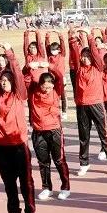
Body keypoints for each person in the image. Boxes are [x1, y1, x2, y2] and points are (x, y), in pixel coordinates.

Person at [0, 45, 38, 213]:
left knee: (26, 183)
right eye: (2, 80)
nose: (4, 82)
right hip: (2, 147)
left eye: (7, 80)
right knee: (9, 184)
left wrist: (10, 53)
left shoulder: (19, 95)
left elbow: (17, 73)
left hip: (19, 145)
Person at [69, 30, 107, 176]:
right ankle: (84, 163)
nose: (85, 58)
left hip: (96, 104)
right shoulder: (78, 68)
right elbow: (74, 51)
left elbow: (95, 53)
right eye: (83, 56)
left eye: (88, 56)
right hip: (82, 106)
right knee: (84, 136)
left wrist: (89, 36)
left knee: (104, 134)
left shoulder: (98, 67)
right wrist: (73, 38)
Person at [25, 60, 70, 201]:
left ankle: (65, 187)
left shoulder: (56, 90)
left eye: (50, 87)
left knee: (59, 160)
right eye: (45, 87)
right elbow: (23, 76)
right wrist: (28, 67)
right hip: (38, 131)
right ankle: (46, 188)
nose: (47, 90)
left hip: (54, 130)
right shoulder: (33, 90)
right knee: (43, 161)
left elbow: (59, 76)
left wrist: (49, 65)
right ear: (40, 85)